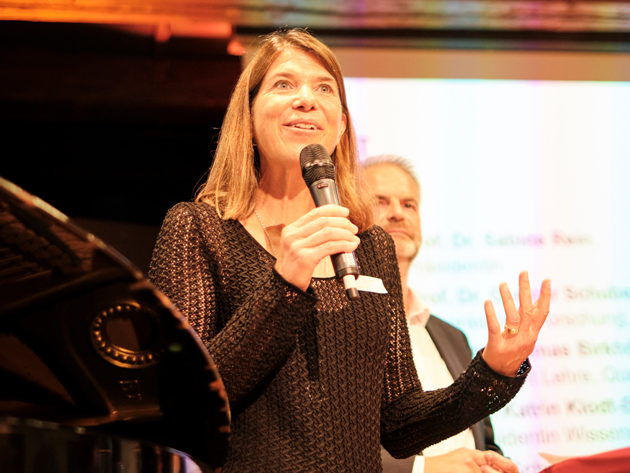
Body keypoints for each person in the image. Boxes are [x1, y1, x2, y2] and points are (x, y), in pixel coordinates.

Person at [148, 28, 551, 472]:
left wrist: (494, 371)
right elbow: (184, 402)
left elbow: (400, 424)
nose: (306, 99)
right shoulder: (200, 230)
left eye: (325, 89)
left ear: (340, 124)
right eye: (284, 84)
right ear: (248, 115)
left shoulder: (372, 247)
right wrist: (283, 285)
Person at [364, 155, 518, 473]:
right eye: (381, 201)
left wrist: (492, 462)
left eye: (409, 205)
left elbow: (480, 439)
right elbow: (329, 448)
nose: (397, 213)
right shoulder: (338, 324)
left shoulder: (451, 336)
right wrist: (422, 469)